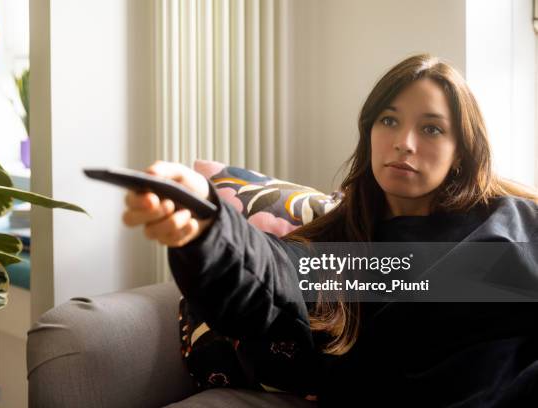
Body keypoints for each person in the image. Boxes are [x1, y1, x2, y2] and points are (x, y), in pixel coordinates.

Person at [122, 54, 538, 407]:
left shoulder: (512, 223)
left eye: (431, 128)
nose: (404, 142)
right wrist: (206, 223)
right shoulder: (341, 251)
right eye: (388, 120)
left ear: (461, 151)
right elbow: (266, 277)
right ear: (368, 133)